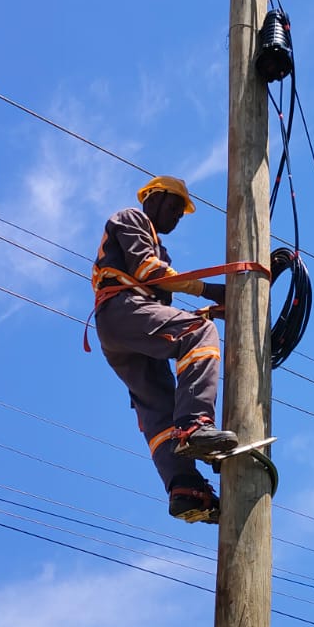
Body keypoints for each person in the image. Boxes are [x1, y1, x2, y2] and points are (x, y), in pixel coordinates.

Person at [92, 176, 237, 523]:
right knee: (199, 333)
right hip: (122, 310)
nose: (176, 216)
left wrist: (209, 309)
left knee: (158, 409)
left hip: (127, 326)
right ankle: (195, 425)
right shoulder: (131, 218)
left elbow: (160, 310)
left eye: (180, 213)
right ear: (153, 199)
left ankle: (185, 488)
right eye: (173, 207)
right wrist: (209, 290)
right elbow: (148, 271)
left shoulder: (162, 248)